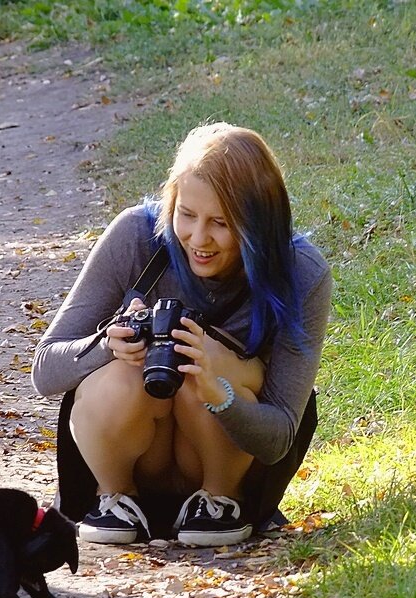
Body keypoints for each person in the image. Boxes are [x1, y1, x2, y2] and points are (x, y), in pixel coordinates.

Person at [31, 122, 331, 547]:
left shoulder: (301, 272)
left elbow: (281, 433)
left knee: (204, 366)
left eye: (221, 223)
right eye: (186, 215)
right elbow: (45, 370)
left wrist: (217, 390)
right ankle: (115, 497)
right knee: (120, 374)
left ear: (259, 224)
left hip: (229, 458)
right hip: (139, 450)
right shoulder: (137, 236)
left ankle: (218, 500)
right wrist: (107, 344)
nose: (198, 238)